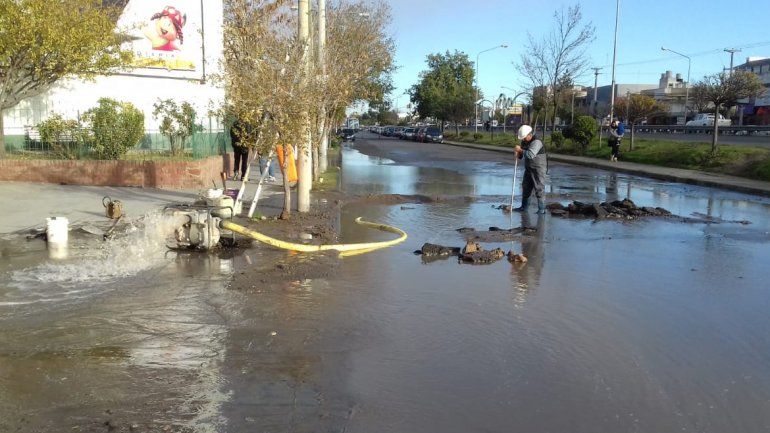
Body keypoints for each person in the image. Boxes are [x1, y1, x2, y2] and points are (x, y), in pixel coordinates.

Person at [513, 124, 548, 214]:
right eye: (522, 138)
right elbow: (522, 156)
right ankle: (524, 207)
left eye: (524, 137)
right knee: (526, 187)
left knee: (539, 188)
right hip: (528, 168)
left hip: (539, 169)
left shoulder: (537, 142)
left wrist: (521, 150)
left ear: (530, 135)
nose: (523, 140)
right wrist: (518, 153)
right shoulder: (524, 142)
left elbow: (530, 154)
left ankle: (541, 209)